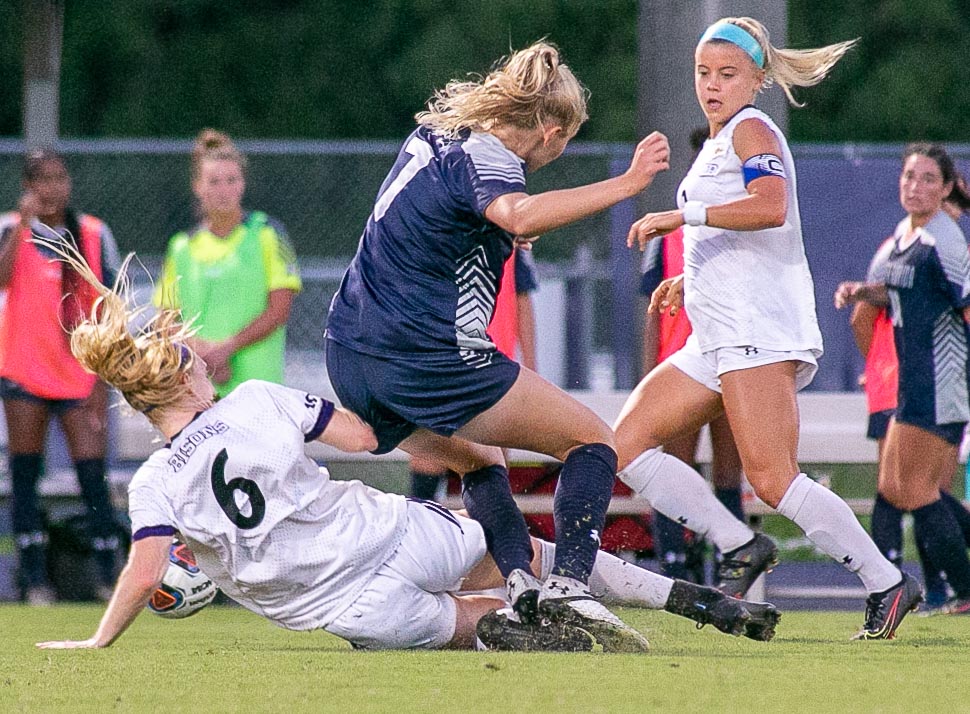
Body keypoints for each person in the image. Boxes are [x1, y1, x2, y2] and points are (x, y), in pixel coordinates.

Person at [33, 241, 780, 652]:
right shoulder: (258, 402)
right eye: (193, 357)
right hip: (391, 538)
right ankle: (686, 599)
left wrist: (99, 641)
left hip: (354, 611)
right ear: (184, 379)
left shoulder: (157, 481)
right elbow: (363, 435)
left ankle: (531, 628)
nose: (202, 358)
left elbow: (141, 572)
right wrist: (439, 421)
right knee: (523, 544)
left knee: (492, 629)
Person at [324, 41, 670, 651]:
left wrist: (490, 241)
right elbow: (517, 212)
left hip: (349, 355)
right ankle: (568, 586)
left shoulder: (440, 134)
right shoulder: (496, 157)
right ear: (551, 130)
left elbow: (435, 218)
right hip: (423, 356)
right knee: (594, 441)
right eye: (564, 144)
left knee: (481, 458)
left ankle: (520, 588)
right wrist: (628, 184)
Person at [613, 16, 921, 640]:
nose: (712, 85)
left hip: (756, 331)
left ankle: (886, 582)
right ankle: (738, 544)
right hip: (717, 333)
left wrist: (681, 215)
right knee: (623, 446)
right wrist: (687, 281)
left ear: (757, 79)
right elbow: (735, 230)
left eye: (727, 74)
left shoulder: (753, 127)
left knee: (773, 478)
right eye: (704, 73)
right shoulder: (727, 137)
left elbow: (769, 207)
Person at [835, 144, 970, 616]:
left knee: (913, 490)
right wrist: (862, 290)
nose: (916, 186)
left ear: (948, 187)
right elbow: (902, 294)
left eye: (929, 178)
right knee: (897, 489)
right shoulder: (905, 236)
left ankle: (966, 591)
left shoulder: (946, 241)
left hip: (941, 379)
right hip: (909, 381)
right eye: (910, 176)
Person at [0, 149, 123, 605]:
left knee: (92, 476)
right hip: (24, 373)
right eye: (42, 179)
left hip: (79, 372)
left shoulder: (92, 232)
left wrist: (101, 381)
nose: (52, 187)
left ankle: (108, 576)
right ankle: (35, 581)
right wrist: (22, 226)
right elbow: (3, 278)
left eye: (59, 177)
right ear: (28, 185)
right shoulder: (10, 228)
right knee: (24, 476)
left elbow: (109, 306)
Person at [639, 126, 746, 583]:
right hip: (682, 362)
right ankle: (676, 566)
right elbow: (651, 310)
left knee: (729, 465)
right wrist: (649, 371)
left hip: (731, 358)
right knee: (673, 461)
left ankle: (728, 563)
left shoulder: (742, 227)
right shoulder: (668, 234)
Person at [154, 129, 302, 398]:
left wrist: (227, 348)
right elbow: (165, 319)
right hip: (198, 388)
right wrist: (202, 354)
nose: (223, 190)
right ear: (197, 186)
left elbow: (279, 309)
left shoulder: (267, 233)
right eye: (213, 181)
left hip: (259, 389)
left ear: (243, 183)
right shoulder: (181, 246)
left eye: (231, 180)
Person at [410, 247, 539, 501]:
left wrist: (531, 370)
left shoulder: (509, 233)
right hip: (441, 360)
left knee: (492, 458)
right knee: (430, 454)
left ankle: (492, 534)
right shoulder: (434, 226)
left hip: (493, 364)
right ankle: (421, 524)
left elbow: (521, 297)